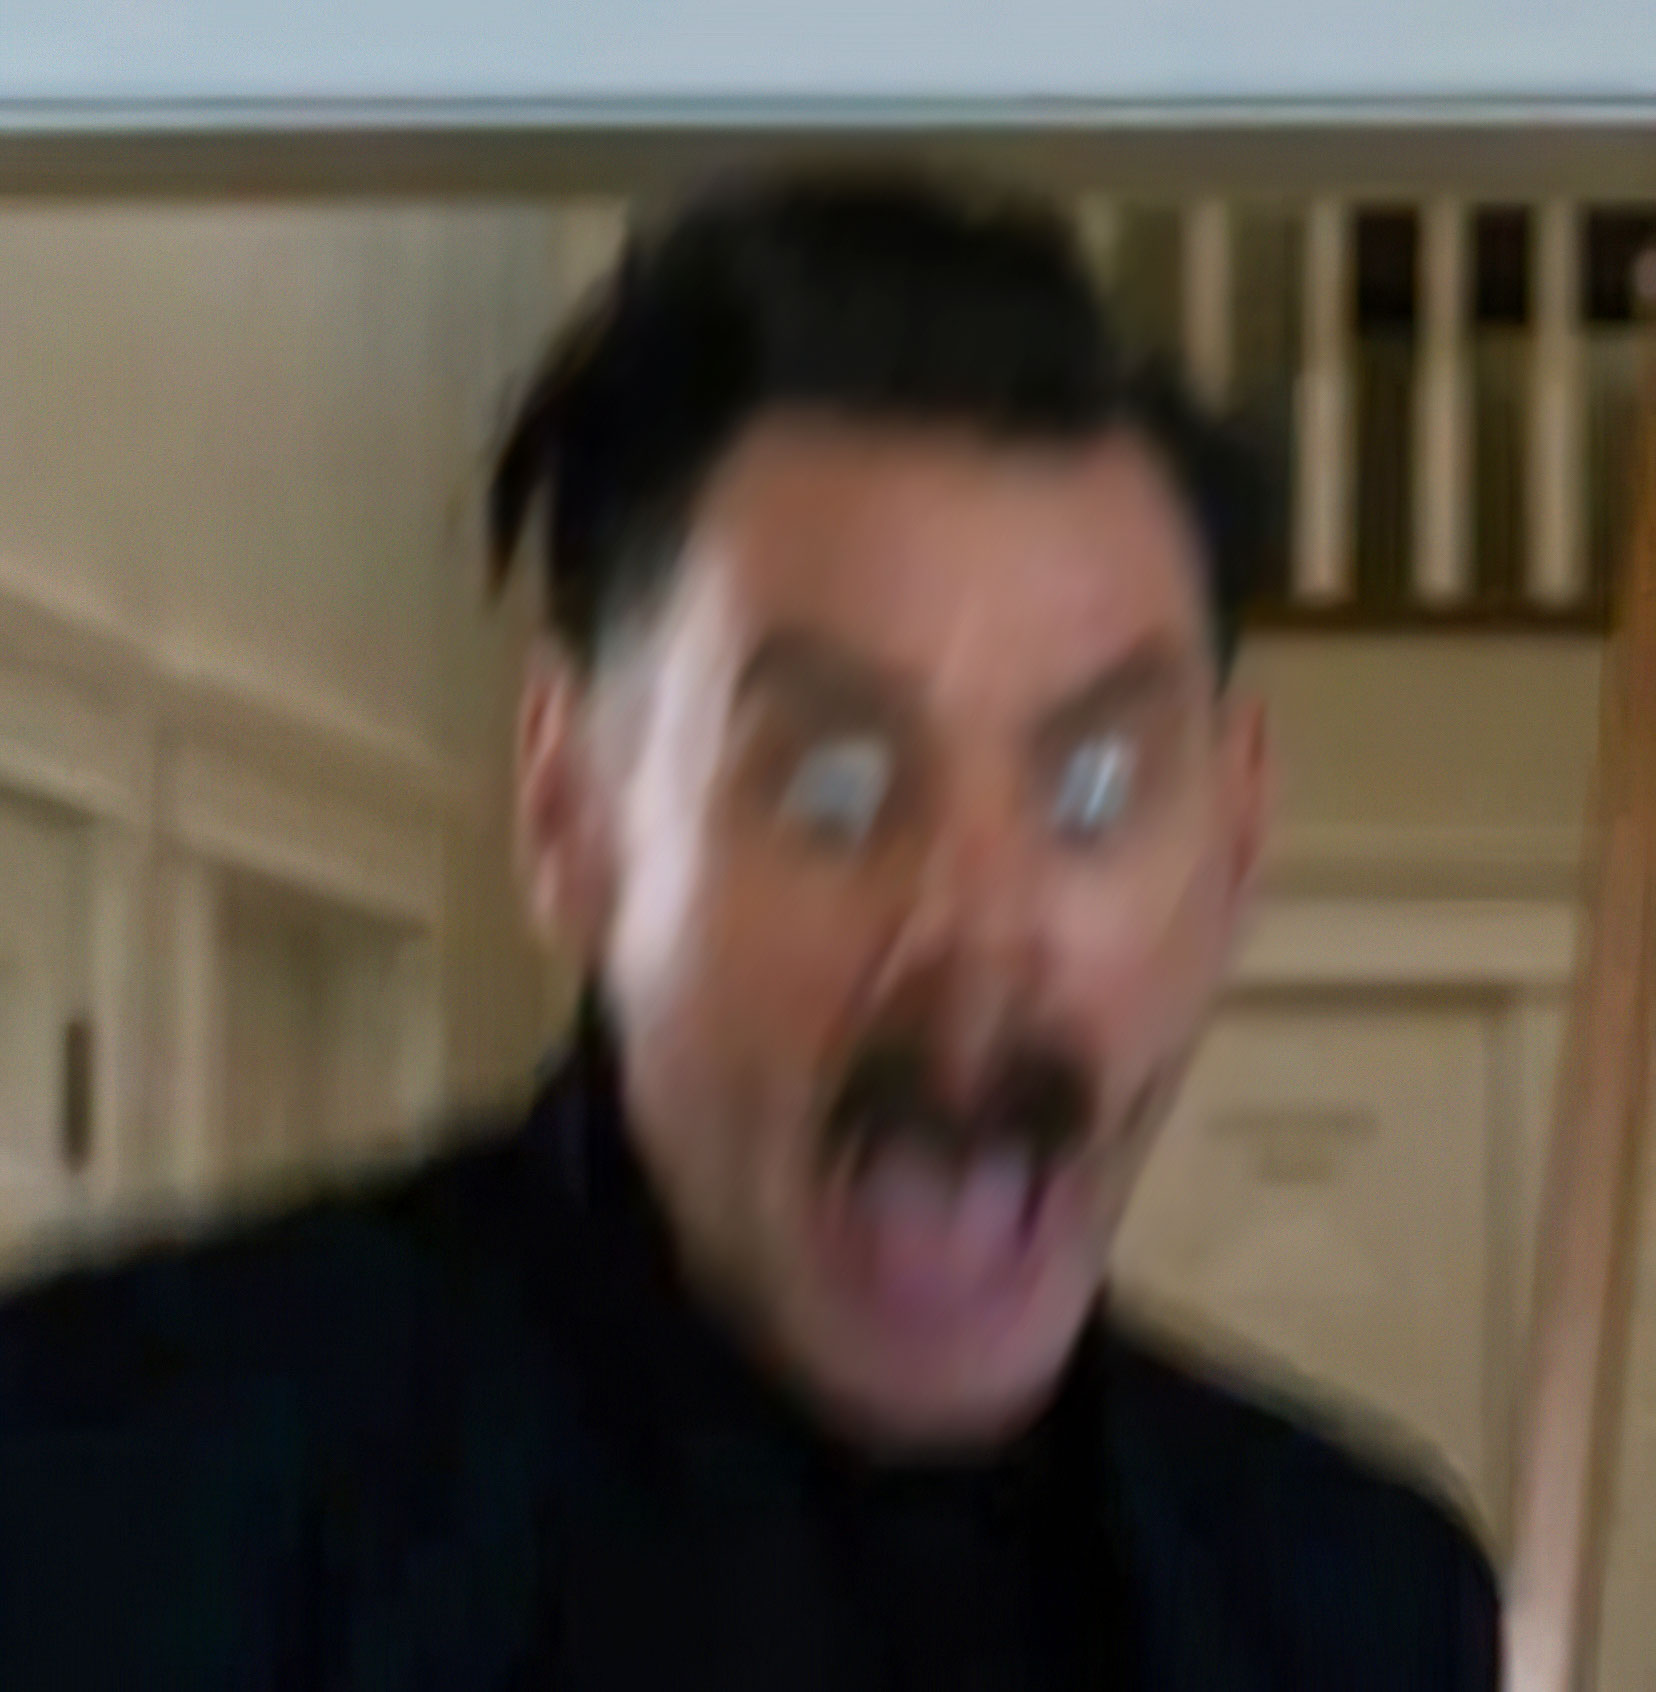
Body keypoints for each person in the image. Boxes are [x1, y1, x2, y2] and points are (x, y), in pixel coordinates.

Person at [0, 169, 1498, 1690]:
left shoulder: (1362, 1609)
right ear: (570, 815)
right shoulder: (99, 1513)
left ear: (1236, 842)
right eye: (835, 787)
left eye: (1095, 787)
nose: (981, 934)